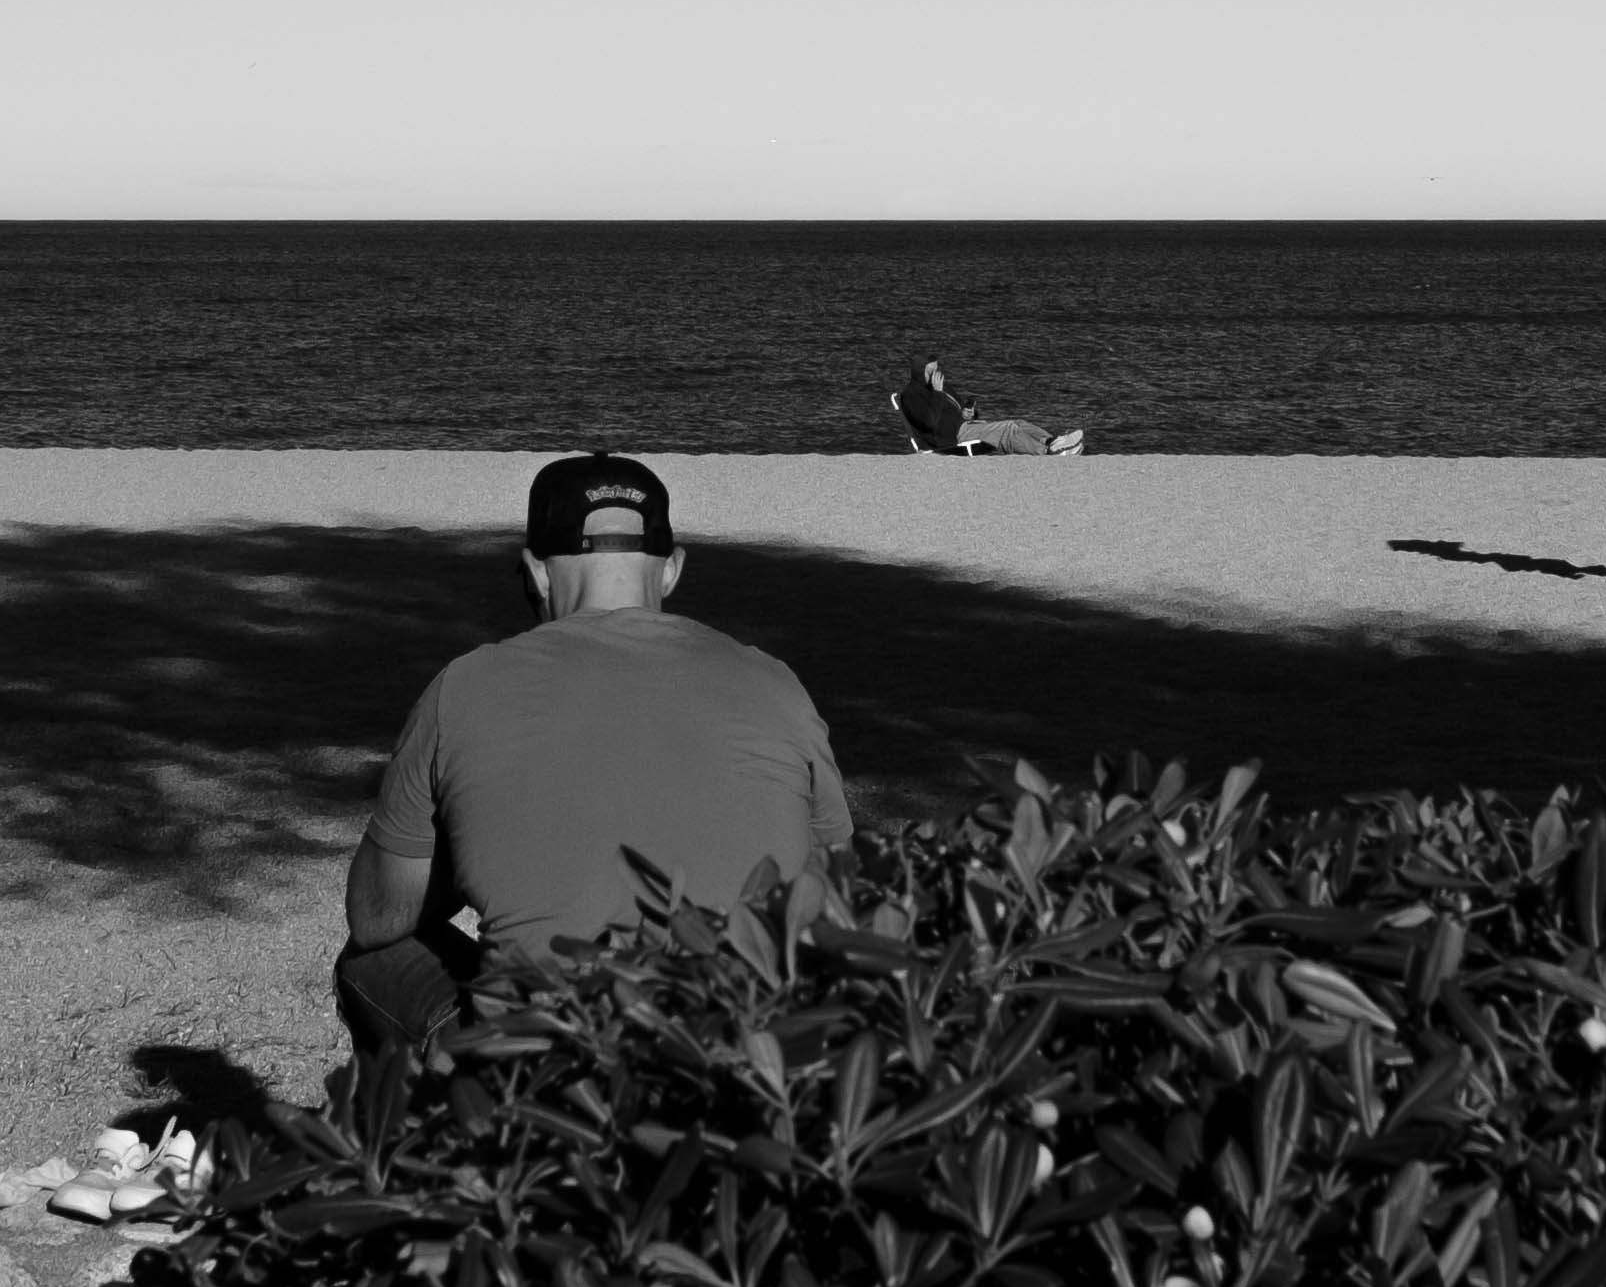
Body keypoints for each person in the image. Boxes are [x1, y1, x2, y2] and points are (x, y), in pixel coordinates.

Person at [333, 454, 857, 1055]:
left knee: (370, 961)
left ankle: (406, 1142)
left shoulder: (465, 687)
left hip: (548, 1073)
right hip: (741, 1057)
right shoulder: (777, 685)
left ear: (534, 573)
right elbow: (834, 892)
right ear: (671, 573)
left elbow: (375, 917)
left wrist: (474, 840)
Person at [898, 358, 1085, 455]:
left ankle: (1052, 442)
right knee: (1007, 431)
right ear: (919, 371)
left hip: (965, 426)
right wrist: (938, 393)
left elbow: (954, 411)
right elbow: (929, 422)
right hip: (953, 438)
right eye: (930, 371)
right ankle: (1048, 453)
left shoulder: (938, 386)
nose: (935, 374)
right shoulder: (911, 395)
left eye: (937, 369)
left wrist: (968, 413)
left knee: (1017, 423)